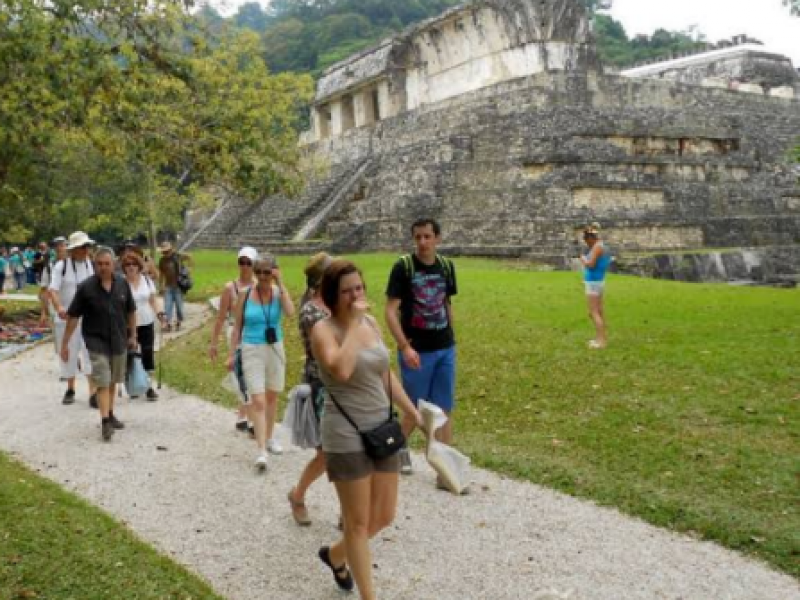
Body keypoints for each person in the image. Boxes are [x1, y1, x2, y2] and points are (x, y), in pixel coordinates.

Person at [312, 260, 422, 600]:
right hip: (345, 434)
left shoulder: (371, 323)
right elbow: (341, 371)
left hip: (381, 428)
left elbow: (383, 374)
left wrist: (410, 409)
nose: (355, 296)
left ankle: (335, 555)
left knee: (383, 516)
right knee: (357, 523)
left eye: (358, 288)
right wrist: (355, 326)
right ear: (332, 296)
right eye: (346, 291)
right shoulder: (324, 330)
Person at [385, 218, 458, 478]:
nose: (423, 242)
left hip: (444, 347)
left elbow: (446, 303)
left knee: (444, 408)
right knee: (414, 410)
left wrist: (452, 336)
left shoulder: (447, 267)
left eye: (428, 236)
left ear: (438, 238)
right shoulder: (403, 267)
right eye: (418, 237)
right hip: (416, 350)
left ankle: (446, 471)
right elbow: (390, 311)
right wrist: (404, 346)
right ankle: (391, 450)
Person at [61, 247, 136, 441]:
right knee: (102, 380)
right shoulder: (86, 288)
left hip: (119, 340)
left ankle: (110, 414)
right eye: (99, 264)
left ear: (114, 265)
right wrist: (65, 344)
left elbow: (131, 311)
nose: (103, 268)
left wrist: (133, 335)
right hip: (96, 342)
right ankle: (104, 422)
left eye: (107, 264)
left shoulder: (122, 284)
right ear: (95, 265)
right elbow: (73, 317)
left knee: (112, 381)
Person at [228, 255, 295, 471]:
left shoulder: (278, 293)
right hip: (252, 349)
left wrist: (281, 283)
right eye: (260, 273)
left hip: (275, 348)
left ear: (275, 271)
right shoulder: (245, 295)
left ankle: (269, 437)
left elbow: (291, 312)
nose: (263, 277)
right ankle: (261, 451)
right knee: (257, 400)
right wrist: (231, 354)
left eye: (268, 272)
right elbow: (237, 327)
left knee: (272, 395)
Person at [287, 252, 334, 526]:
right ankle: (298, 495)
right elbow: (326, 352)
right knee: (328, 453)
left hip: (347, 384)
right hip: (323, 386)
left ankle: (349, 511)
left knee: (350, 451)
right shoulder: (310, 312)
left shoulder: (338, 303)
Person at [209, 246, 258, 432]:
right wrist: (213, 343)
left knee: (251, 374)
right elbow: (221, 317)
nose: (244, 266)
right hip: (234, 333)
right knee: (237, 374)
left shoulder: (257, 287)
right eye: (241, 262)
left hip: (253, 334)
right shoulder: (230, 288)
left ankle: (245, 415)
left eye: (248, 263)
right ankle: (249, 417)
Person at [49, 232, 98, 407]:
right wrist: (59, 307)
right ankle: (70, 387)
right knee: (68, 352)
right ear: (74, 249)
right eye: (83, 247)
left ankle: (93, 392)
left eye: (87, 247)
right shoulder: (61, 267)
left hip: (87, 318)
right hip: (67, 317)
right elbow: (53, 290)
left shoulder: (90, 266)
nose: (86, 250)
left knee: (89, 352)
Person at [123, 252, 162, 400]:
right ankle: (132, 384)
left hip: (146, 321)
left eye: (134, 264)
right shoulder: (121, 283)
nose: (131, 267)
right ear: (124, 268)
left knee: (147, 353)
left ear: (139, 266)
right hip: (128, 324)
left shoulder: (146, 280)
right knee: (131, 356)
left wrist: (160, 313)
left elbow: (153, 300)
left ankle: (148, 387)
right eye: (127, 265)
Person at [579, 222, 612, 350]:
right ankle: (601, 338)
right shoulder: (601, 246)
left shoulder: (598, 247)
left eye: (587, 241)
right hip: (597, 281)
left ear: (591, 238)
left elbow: (591, 264)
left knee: (593, 312)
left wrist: (583, 260)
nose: (587, 244)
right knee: (598, 311)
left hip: (593, 282)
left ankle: (601, 341)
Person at [157, 241, 191, 332]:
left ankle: (179, 322)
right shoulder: (162, 260)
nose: (166, 253)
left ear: (171, 250)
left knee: (179, 306)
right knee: (167, 306)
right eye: (164, 252)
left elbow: (189, 257)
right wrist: (160, 286)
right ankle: (168, 324)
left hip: (178, 287)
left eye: (167, 251)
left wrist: (188, 270)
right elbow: (161, 274)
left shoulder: (177, 257)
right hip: (168, 286)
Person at [38, 237, 66, 326]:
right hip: (54, 307)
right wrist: (43, 313)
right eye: (57, 246)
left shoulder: (75, 265)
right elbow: (44, 290)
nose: (59, 248)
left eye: (62, 245)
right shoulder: (50, 267)